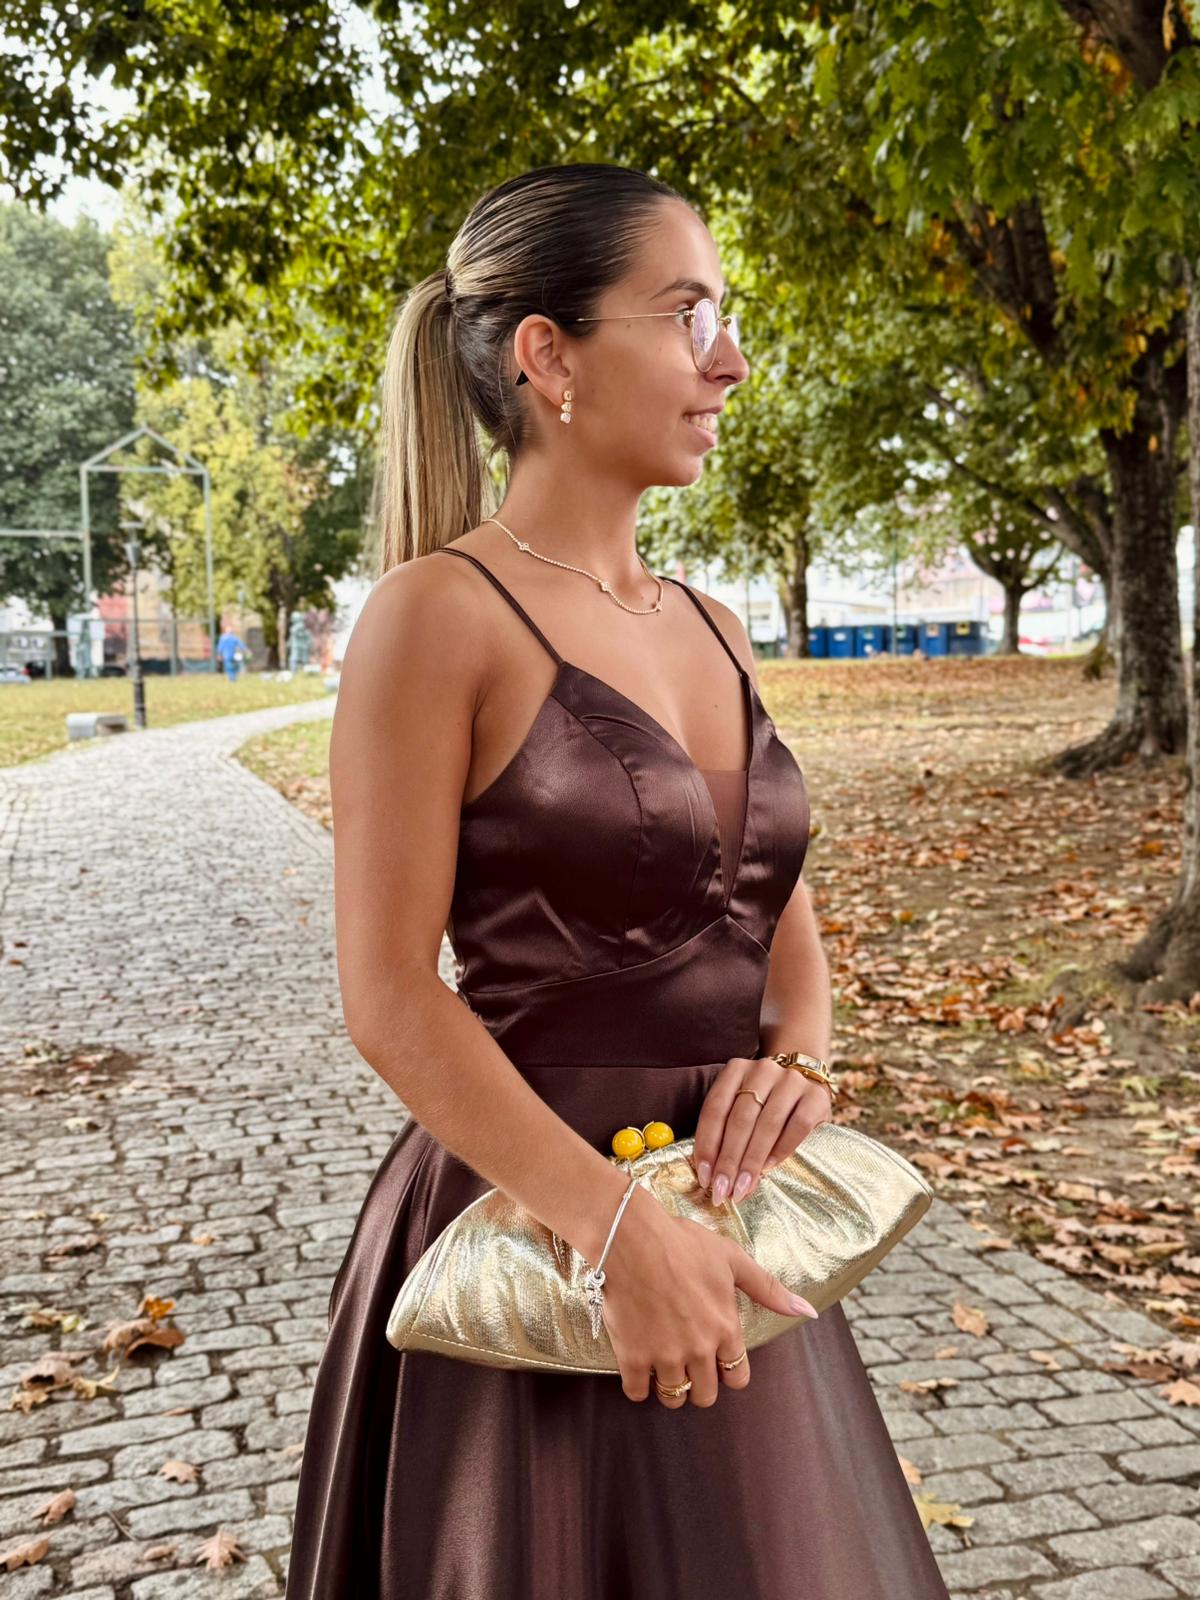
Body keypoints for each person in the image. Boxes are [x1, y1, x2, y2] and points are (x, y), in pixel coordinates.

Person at [285, 163, 950, 1599]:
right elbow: (390, 995)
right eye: (686, 312)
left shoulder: (716, 624)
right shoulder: (434, 617)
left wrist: (805, 1063)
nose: (731, 357)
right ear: (550, 356)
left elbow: (782, 928)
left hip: (733, 1231)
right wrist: (609, 1229)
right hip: (533, 1226)